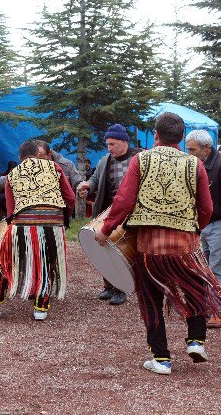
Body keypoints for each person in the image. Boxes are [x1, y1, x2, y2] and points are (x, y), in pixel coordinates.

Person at [95, 112, 221, 375]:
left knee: (150, 298)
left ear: (155, 135)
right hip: (185, 245)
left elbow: (124, 201)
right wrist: (194, 228)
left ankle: (161, 359)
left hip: (149, 247)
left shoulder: (140, 160)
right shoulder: (194, 164)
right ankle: (196, 341)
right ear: (181, 137)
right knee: (196, 288)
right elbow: (206, 207)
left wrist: (106, 229)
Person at [0, 140, 75, 320]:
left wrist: (13, 224)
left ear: (20, 158)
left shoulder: (14, 173)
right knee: (46, 263)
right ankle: (40, 309)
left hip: (23, 225)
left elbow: (10, 208)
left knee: (4, 260)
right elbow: (70, 197)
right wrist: (63, 219)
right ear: (37, 154)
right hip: (54, 224)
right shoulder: (55, 167)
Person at [186, 130, 221, 329]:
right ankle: (206, 307)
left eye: (193, 149)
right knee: (202, 269)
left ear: (207, 148)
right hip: (203, 225)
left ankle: (220, 312)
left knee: (218, 270)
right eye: (188, 149)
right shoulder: (197, 165)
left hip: (220, 224)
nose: (189, 153)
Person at [77, 124, 140, 306]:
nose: (109, 148)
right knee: (102, 247)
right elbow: (95, 179)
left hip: (132, 213)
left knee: (121, 250)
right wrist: (88, 186)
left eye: (112, 144)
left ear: (124, 141)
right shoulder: (105, 160)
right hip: (108, 211)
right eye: (108, 144)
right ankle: (109, 286)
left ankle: (122, 288)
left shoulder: (139, 158)